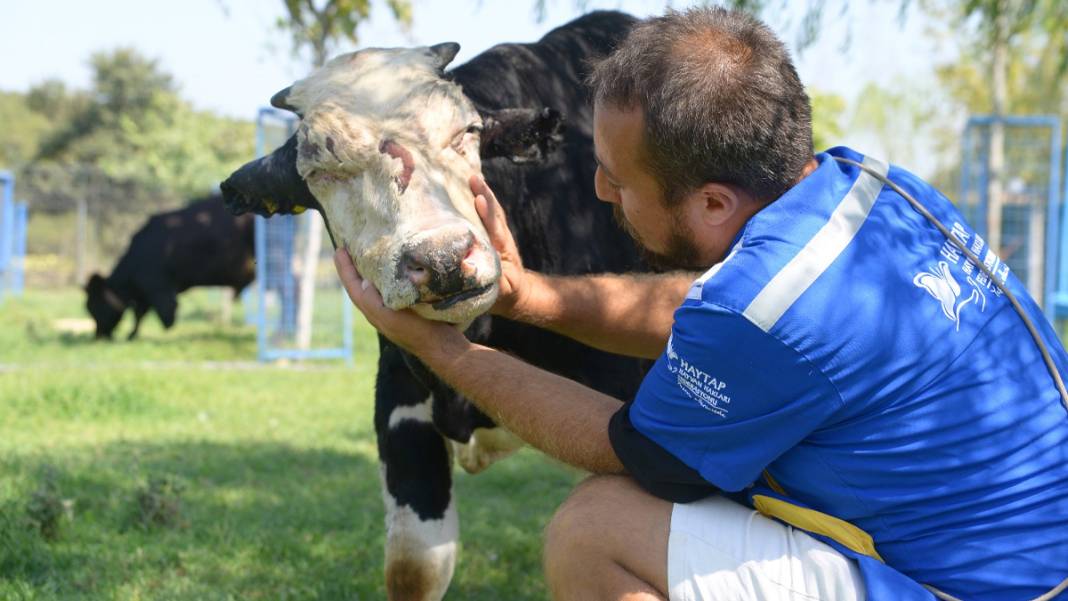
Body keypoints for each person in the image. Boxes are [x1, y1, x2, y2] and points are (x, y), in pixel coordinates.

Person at [334, 7, 1068, 601]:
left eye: (618, 180)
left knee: (596, 530)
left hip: (970, 589)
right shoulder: (871, 186)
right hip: (1033, 564)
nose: (599, 192)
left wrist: (443, 350)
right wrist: (532, 296)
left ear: (714, 202)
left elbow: (625, 445)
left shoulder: (764, 307)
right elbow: (704, 305)